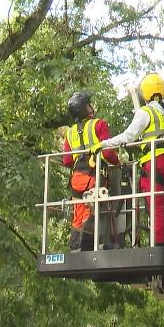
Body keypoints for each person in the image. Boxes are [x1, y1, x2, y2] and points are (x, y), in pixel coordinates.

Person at [92, 73, 164, 247]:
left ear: (145, 93)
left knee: (156, 209)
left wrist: (103, 144)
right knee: (161, 208)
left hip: (157, 163)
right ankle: (157, 245)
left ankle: (158, 249)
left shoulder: (145, 112)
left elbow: (129, 136)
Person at [62, 91, 119, 251]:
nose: (91, 106)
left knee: (79, 213)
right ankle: (92, 245)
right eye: (88, 104)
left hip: (76, 180)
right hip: (94, 178)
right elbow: (107, 152)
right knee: (94, 211)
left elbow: (67, 160)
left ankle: (75, 246)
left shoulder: (70, 132)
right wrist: (118, 162)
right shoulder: (99, 124)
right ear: (85, 109)